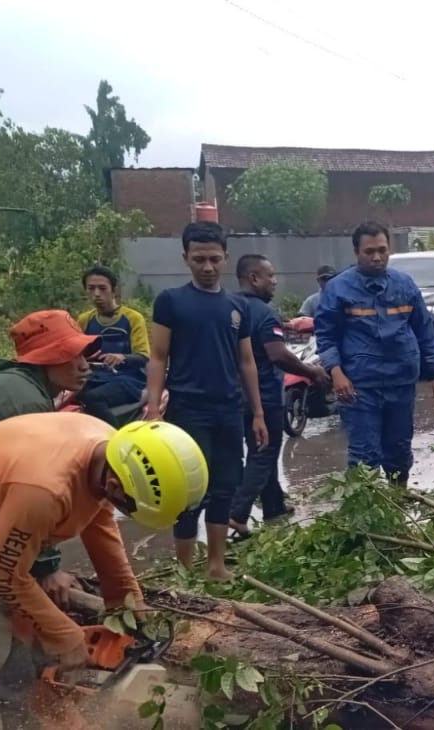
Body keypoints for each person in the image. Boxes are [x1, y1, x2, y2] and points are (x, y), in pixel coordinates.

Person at [0, 412, 207, 730]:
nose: (124, 511)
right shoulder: (45, 489)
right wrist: (64, 635)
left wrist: (128, 603)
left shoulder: (109, 452)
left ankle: (47, 717)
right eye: (129, 506)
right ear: (115, 483)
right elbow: (4, 576)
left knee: (28, 637)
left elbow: (100, 526)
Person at [0, 310, 99, 608]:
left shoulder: (22, 386)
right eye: (70, 355)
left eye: (82, 354)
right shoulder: (23, 398)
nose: (83, 366)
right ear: (44, 358)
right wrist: (47, 568)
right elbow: (34, 486)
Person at [146, 221, 267, 580]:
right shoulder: (171, 301)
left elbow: (247, 362)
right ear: (186, 258)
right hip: (188, 410)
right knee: (188, 491)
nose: (207, 266)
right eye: (199, 259)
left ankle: (216, 565)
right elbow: (157, 356)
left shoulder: (237, 307)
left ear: (226, 258)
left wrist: (258, 412)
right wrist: (154, 409)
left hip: (229, 410)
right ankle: (183, 570)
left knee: (225, 486)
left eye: (214, 258)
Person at [315, 221, 434, 484]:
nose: (377, 257)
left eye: (382, 250)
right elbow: (326, 335)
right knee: (365, 454)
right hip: (359, 385)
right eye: (369, 251)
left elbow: (424, 331)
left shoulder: (405, 285)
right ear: (356, 252)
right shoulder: (338, 289)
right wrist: (336, 372)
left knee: (399, 450)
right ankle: (365, 511)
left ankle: (397, 500)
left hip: (401, 381)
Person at [229, 254, 329, 538]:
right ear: (254, 278)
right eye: (270, 275)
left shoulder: (230, 307)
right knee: (264, 453)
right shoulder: (262, 312)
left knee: (261, 449)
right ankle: (237, 513)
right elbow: (277, 354)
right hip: (263, 394)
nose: (275, 281)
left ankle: (274, 506)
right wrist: (310, 372)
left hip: (234, 394)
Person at [75, 265, 150, 426]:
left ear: (114, 290)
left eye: (102, 288)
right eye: (91, 289)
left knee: (92, 399)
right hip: (94, 377)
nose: (96, 294)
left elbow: (143, 356)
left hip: (127, 379)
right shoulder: (84, 320)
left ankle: (116, 437)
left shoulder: (133, 318)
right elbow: (76, 352)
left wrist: (122, 357)